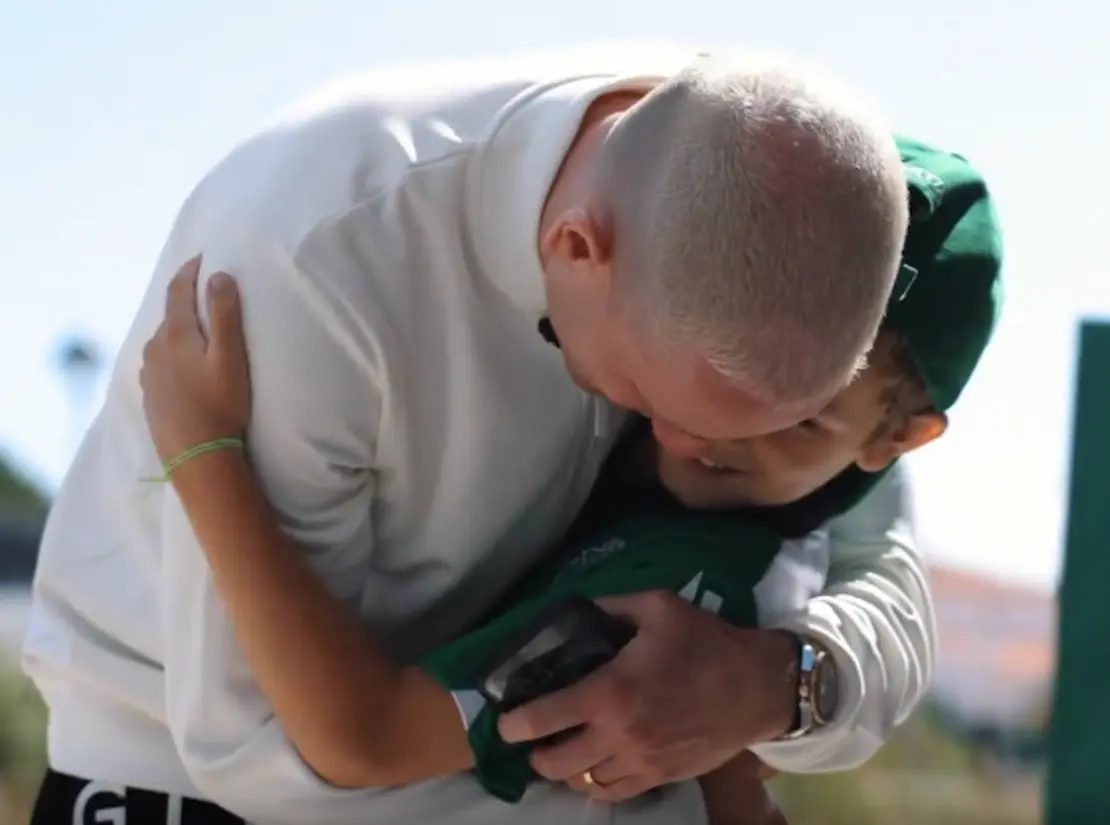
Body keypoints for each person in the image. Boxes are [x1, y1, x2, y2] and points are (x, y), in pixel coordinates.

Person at [23, 43, 916, 825]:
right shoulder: (314, 266)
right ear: (578, 248)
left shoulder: (788, 200)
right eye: (651, 402)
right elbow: (268, 748)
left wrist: (776, 684)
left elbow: (887, 582)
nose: (688, 456)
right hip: (173, 789)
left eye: (784, 426)